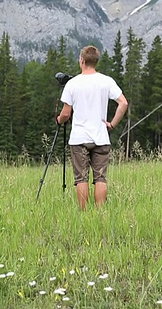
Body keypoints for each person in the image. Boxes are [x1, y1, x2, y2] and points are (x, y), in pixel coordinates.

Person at [56, 45, 128, 210]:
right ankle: (100, 213)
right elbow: (123, 103)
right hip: (101, 137)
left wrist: (59, 120)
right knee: (100, 178)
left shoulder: (72, 84)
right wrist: (112, 124)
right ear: (96, 61)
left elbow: (66, 114)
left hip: (79, 138)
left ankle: (83, 213)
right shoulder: (106, 81)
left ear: (81, 60)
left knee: (81, 178)